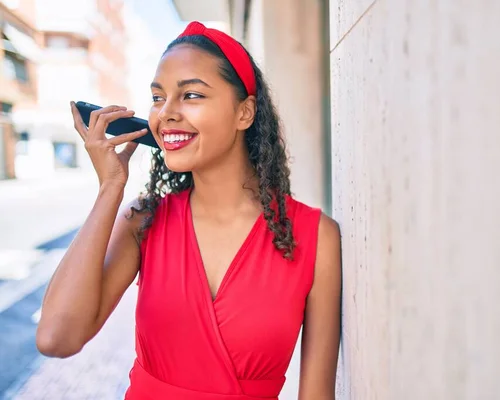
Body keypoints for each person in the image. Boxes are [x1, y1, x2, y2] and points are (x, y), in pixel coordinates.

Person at [35, 21, 341, 400]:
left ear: (244, 113)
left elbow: (317, 395)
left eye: (191, 95)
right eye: (158, 97)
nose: (166, 114)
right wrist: (110, 189)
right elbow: (56, 338)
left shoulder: (315, 237)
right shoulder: (142, 222)